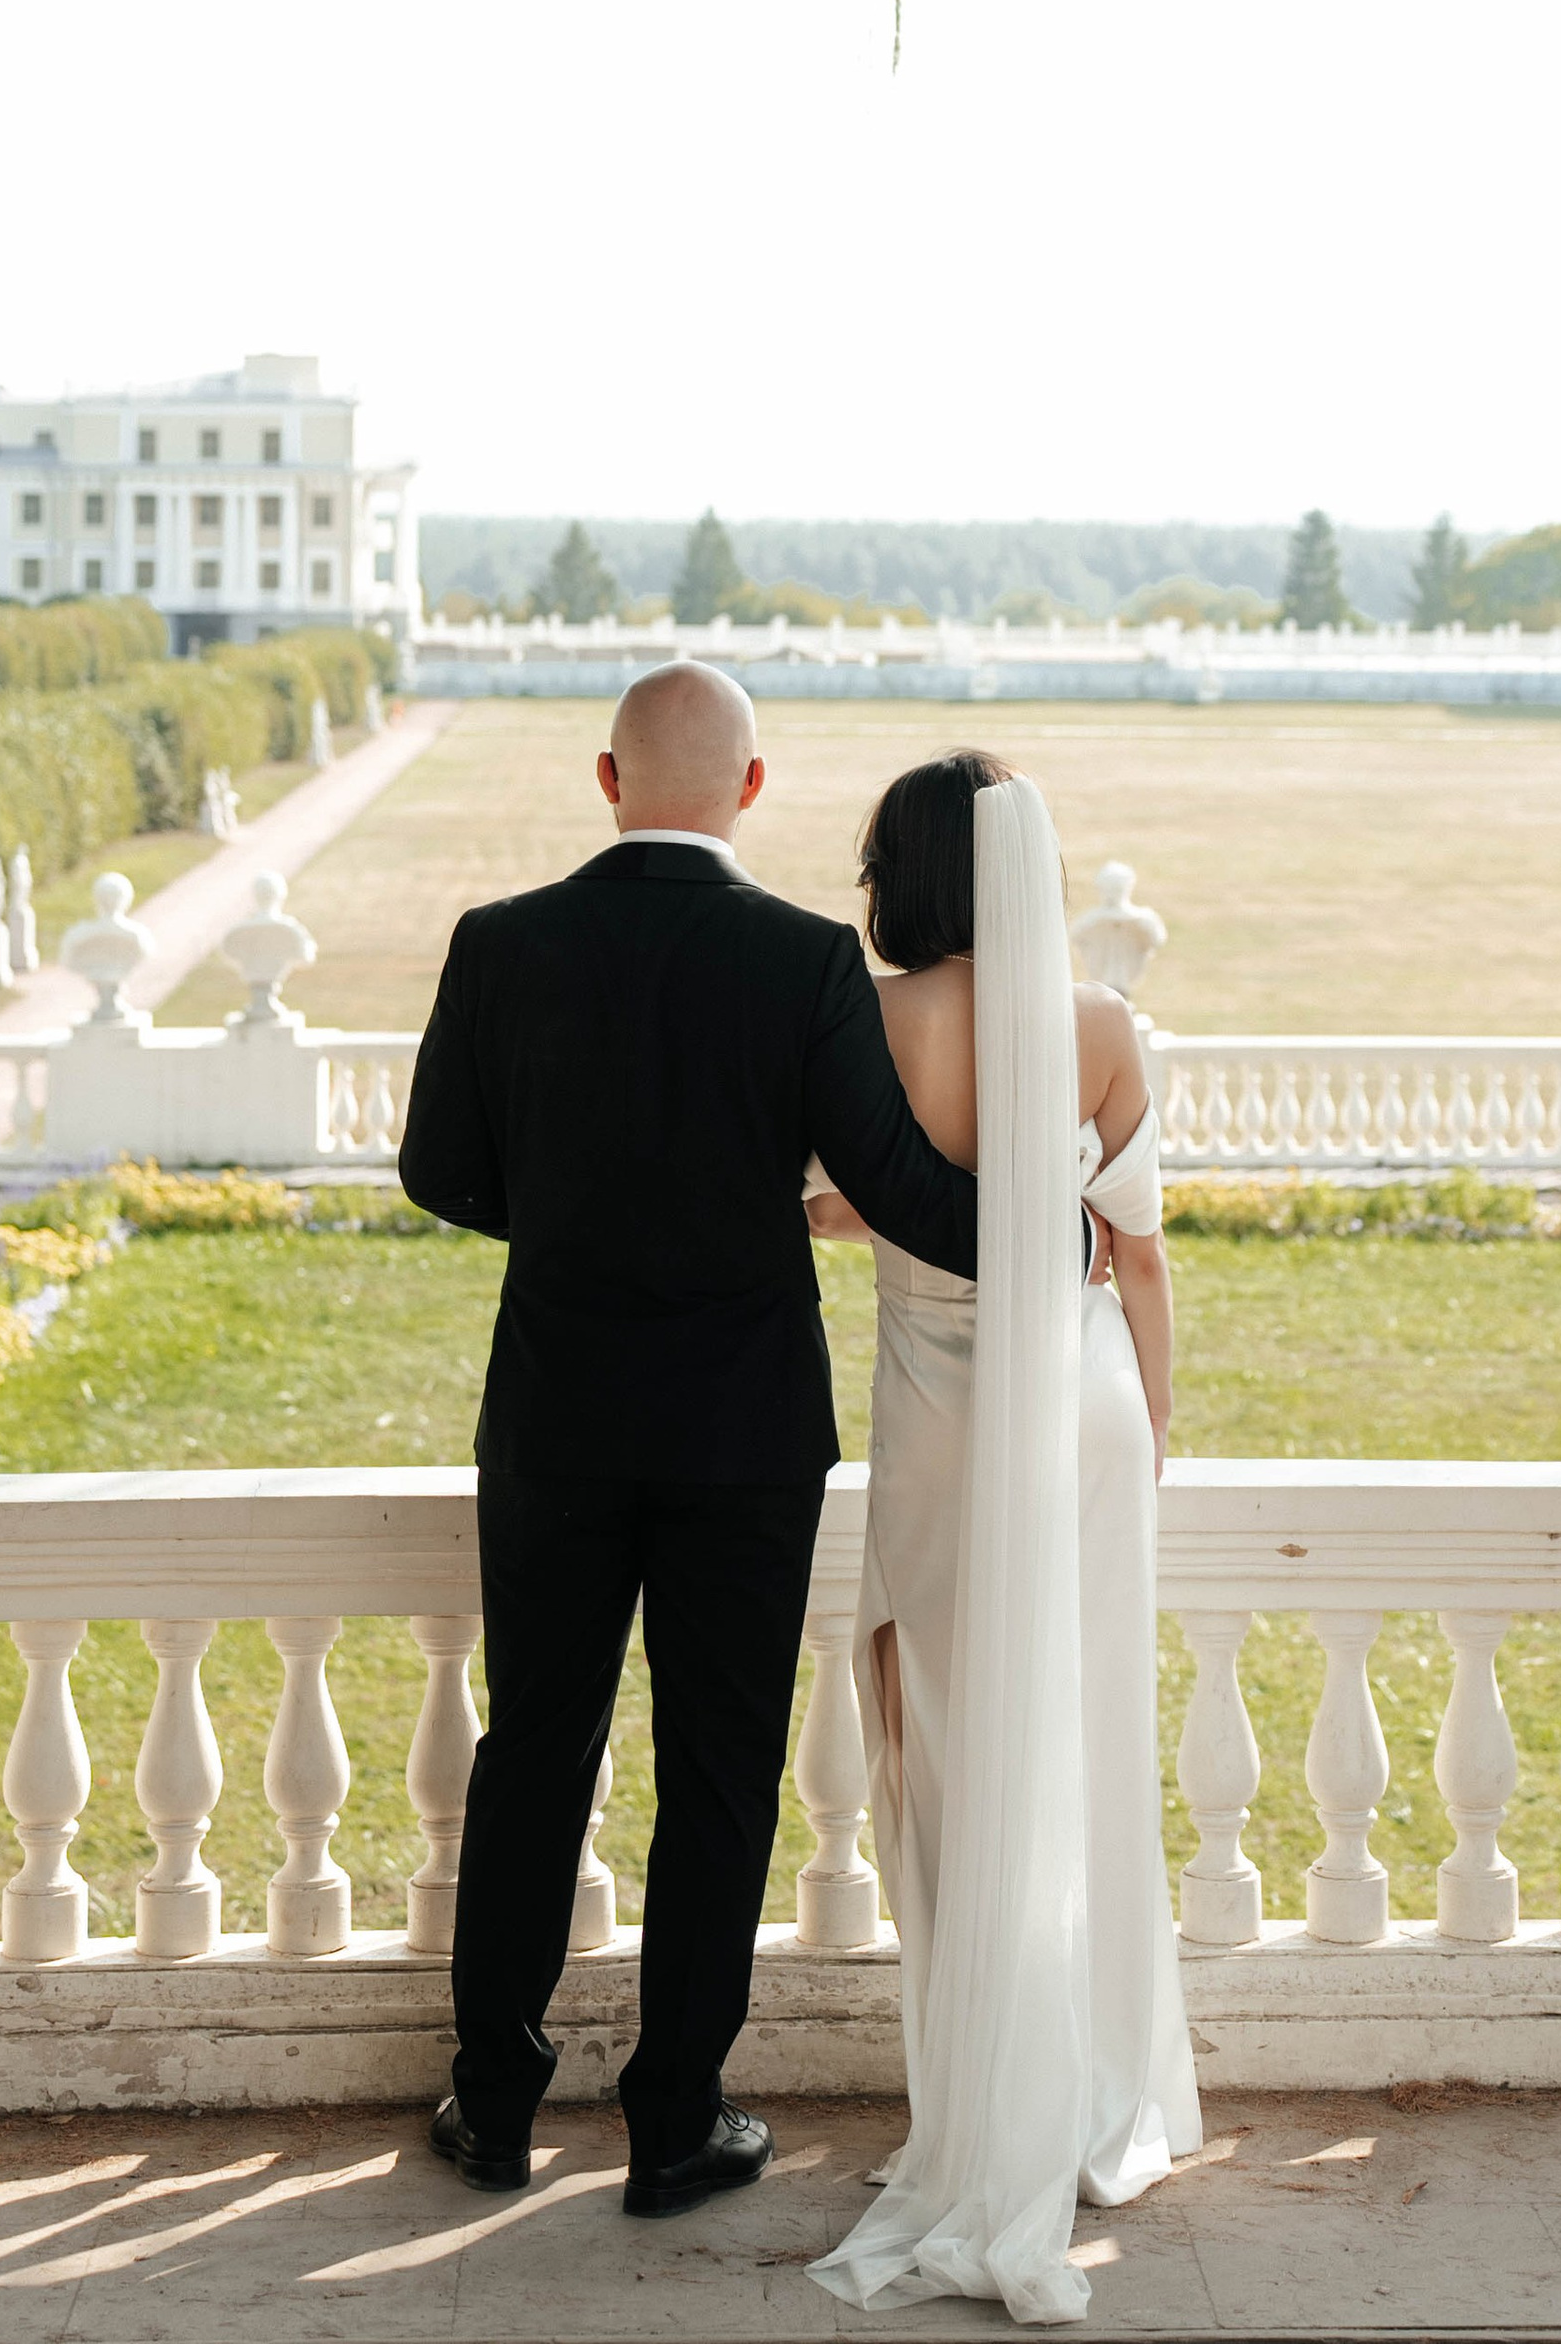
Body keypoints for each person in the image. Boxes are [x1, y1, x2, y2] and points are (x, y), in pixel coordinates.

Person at [397, 661, 979, 2216]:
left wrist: (580, 1215)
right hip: (743, 1431)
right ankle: (675, 2122)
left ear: (606, 779)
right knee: (718, 1771)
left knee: (535, 1757)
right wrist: (1068, 1236)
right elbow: (905, 1189)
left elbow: (437, 1171)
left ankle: (496, 2100)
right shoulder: (800, 960)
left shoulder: (498, 944)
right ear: (752, 787)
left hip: (557, 1421)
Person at [807, 753, 1199, 2325]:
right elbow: (1139, 1255)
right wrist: (1150, 1436)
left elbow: (872, 1195)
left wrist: (841, 1219)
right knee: (1092, 1740)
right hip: (1086, 1401)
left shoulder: (873, 1020)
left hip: (952, 1416)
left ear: (897, 877)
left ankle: (975, 2101)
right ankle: (1098, 2100)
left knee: (949, 1745)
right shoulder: (1105, 1026)